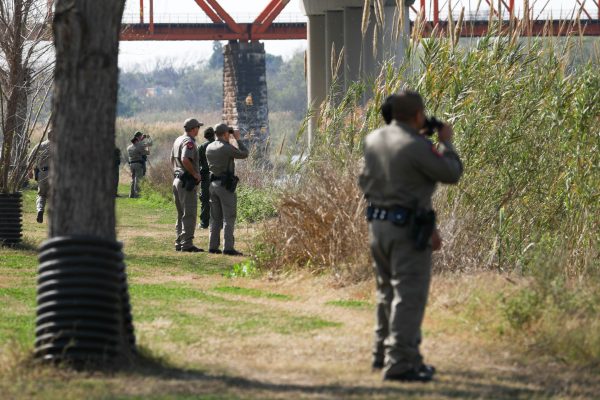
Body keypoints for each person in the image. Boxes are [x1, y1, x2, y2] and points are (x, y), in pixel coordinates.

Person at [358, 91, 463, 382]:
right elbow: (451, 173)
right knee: (408, 295)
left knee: (386, 292)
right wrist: (445, 142)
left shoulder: (374, 139)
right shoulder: (417, 145)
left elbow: (364, 181)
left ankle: (383, 354)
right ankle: (401, 363)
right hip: (407, 229)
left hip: (378, 225)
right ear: (418, 115)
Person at [206, 124, 248, 255]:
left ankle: (213, 246)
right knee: (228, 217)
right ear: (225, 134)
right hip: (225, 186)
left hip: (213, 184)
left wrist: (229, 137)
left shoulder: (209, 146)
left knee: (215, 217)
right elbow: (244, 154)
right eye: (228, 134)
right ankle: (228, 247)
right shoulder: (226, 148)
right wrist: (237, 139)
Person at [171, 118, 204, 252]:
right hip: (186, 182)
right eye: (198, 127)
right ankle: (187, 244)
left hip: (178, 180)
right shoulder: (189, 142)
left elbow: (172, 159)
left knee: (181, 214)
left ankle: (179, 242)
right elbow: (185, 159)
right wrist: (195, 173)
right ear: (193, 129)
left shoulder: (178, 140)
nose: (199, 130)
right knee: (189, 213)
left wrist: (176, 173)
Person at [28, 130, 53, 223]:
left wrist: (29, 171)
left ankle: (40, 210)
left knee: (41, 195)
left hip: (43, 173)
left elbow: (30, 159)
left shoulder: (40, 146)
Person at [198, 127, 216, 229]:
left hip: (205, 176)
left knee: (205, 200)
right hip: (218, 177)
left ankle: (204, 223)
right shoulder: (219, 145)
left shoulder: (201, 147)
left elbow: (197, 162)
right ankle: (218, 222)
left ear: (205, 136)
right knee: (218, 199)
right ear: (214, 135)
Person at [127, 131, 149, 198]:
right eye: (140, 136)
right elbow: (146, 152)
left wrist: (142, 139)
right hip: (138, 164)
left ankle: (131, 194)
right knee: (138, 179)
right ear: (138, 137)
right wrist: (148, 139)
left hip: (131, 164)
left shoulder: (129, 147)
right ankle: (137, 195)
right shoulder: (139, 146)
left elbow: (137, 144)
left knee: (133, 179)